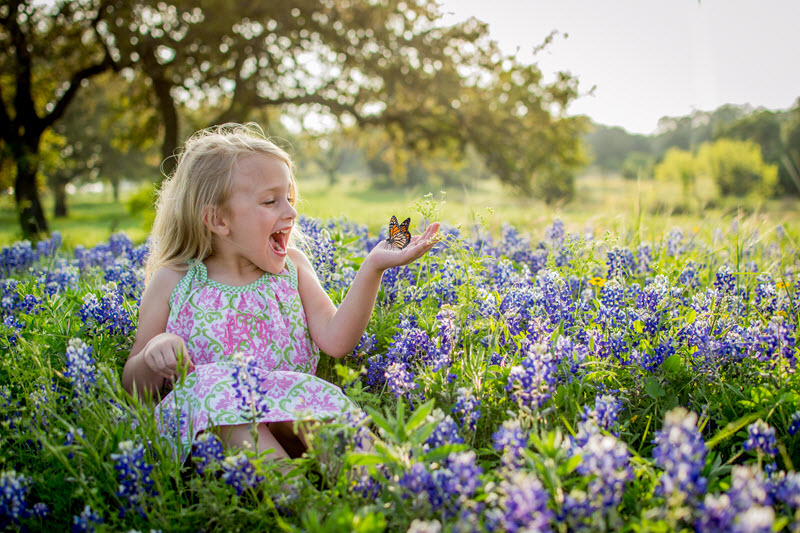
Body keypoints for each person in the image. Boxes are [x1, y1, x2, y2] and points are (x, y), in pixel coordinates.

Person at [121, 123, 439, 468]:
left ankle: (385, 493)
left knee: (324, 412)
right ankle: (294, 502)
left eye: (289, 198)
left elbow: (336, 340)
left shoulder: (292, 269)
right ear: (217, 219)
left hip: (290, 410)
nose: (290, 212)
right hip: (212, 432)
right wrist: (154, 352)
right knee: (213, 385)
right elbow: (133, 387)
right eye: (271, 201)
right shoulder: (175, 281)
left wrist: (373, 266)